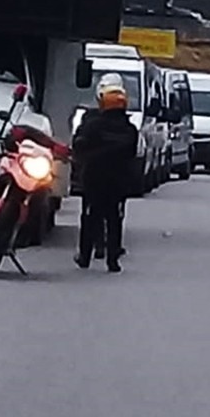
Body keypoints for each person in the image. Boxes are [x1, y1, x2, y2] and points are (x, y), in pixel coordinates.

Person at [72, 73, 138, 273]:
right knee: (114, 219)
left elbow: (79, 145)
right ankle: (113, 259)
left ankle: (85, 256)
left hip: (94, 178)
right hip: (118, 182)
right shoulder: (130, 130)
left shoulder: (92, 124)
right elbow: (131, 155)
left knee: (90, 216)